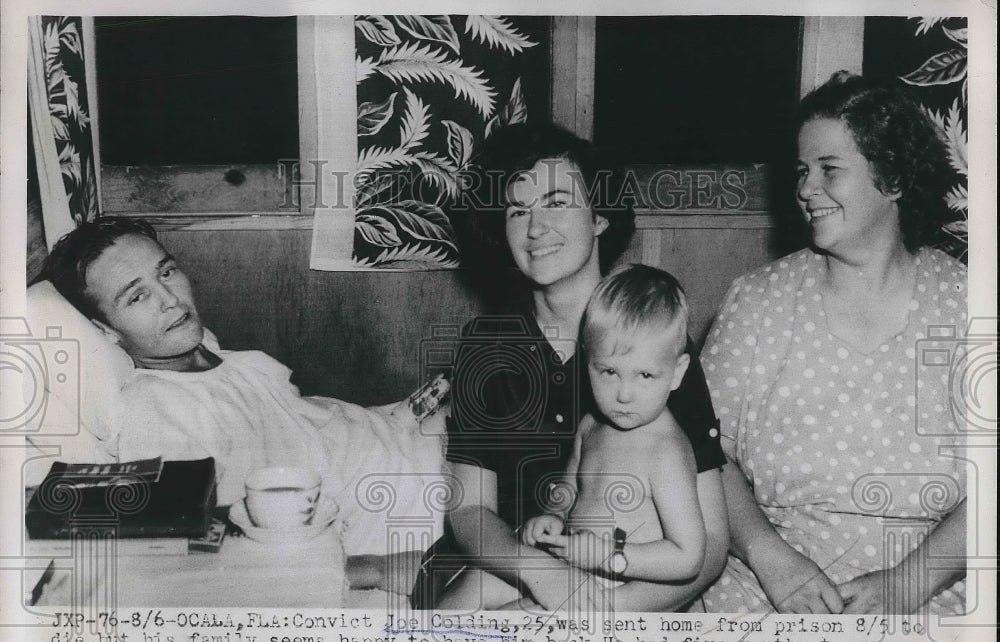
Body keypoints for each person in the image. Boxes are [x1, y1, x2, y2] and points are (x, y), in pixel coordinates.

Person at [419, 122, 729, 612]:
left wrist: (599, 615)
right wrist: (538, 573)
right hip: (512, 564)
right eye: (518, 210)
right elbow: (470, 511)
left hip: (620, 585)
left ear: (601, 216)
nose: (535, 227)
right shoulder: (485, 345)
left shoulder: (655, 340)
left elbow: (709, 544)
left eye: (557, 202)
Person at [701, 72, 967, 616]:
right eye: (802, 171)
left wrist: (906, 585)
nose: (805, 188)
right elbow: (703, 454)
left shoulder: (967, 304)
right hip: (764, 583)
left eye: (829, 170)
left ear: (891, 179)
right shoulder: (755, 302)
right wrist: (771, 558)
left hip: (931, 585)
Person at [41, 216, 442, 565]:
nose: (170, 298)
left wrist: (410, 413)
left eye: (165, 272)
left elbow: (307, 427)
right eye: (137, 296)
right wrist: (373, 568)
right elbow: (204, 542)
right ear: (106, 330)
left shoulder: (218, 357)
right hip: (426, 509)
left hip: (421, 442)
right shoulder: (156, 407)